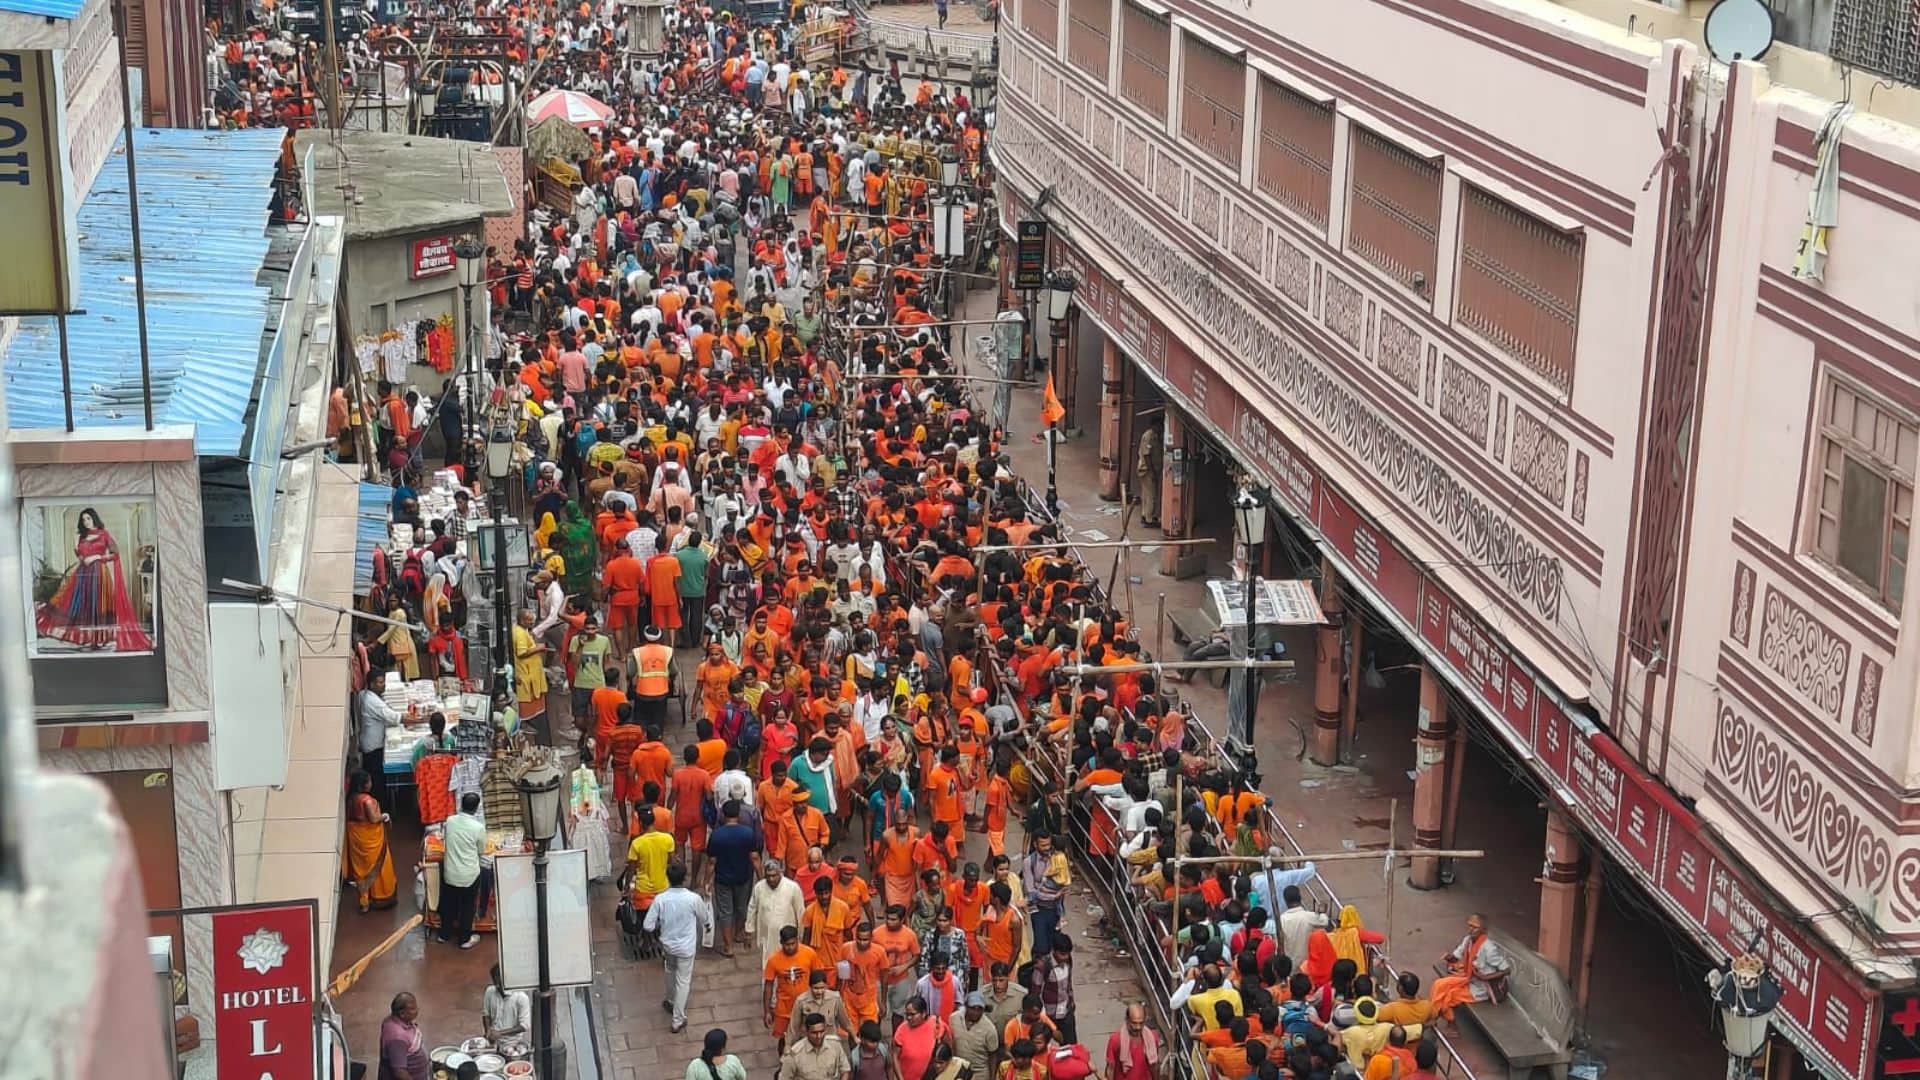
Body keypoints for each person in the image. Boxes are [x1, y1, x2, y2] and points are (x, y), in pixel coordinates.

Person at [33, 506, 153, 651]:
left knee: (99, 604)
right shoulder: (81, 537)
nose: (86, 522)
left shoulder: (104, 535)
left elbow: (115, 555)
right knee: (85, 605)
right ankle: (89, 639)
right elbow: (81, 557)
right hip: (83, 575)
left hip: (100, 574)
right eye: (83, 520)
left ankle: (102, 639)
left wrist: (97, 556)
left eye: (88, 518)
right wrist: (75, 544)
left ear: (94, 518)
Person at [647, 862, 716, 1033]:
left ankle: (670, 1000)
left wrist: (660, 924)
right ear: (684, 878)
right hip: (686, 947)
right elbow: (704, 917)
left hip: (668, 945)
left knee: (670, 970)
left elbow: (648, 925)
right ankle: (678, 1019)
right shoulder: (693, 899)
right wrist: (707, 926)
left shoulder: (660, 899)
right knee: (683, 981)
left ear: (668, 878)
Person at [1430, 913, 1512, 1019]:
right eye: (1469, 926)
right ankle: (1433, 1013)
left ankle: (1450, 1023)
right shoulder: (1467, 940)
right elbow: (1455, 957)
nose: (1470, 930)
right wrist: (1448, 957)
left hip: (1481, 988)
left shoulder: (1489, 949)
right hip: (1467, 978)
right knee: (1438, 984)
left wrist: (1484, 977)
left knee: (1450, 996)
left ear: (1483, 930)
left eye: (1475, 927)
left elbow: (1507, 970)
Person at [707, 799, 761, 957]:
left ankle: (728, 945)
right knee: (742, 906)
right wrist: (761, 877)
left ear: (723, 815)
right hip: (743, 876)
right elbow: (755, 858)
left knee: (725, 911)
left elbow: (711, 861)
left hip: (722, 878)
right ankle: (738, 933)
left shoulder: (717, 835)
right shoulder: (747, 833)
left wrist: (706, 881)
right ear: (738, 814)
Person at [342, 769, 396, 912]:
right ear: (364, 785)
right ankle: (380, 897)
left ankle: (364, 901)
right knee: (380, 866)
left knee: (361, 870)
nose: (371, 783)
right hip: (371, 840)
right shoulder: (367, 801)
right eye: (369, 781)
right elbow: (373, 819)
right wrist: (384, 816)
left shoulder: (351, 799)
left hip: (356, 839)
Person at [765, 925, 826, 1048]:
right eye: (787, 944)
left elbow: (819, 977)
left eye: (793, 943)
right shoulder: (773, 960)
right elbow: (768, 986)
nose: (790, 947)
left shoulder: (809, 953)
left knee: (809, 1036)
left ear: (797, 940)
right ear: (781, 943)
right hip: (784, 1007)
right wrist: (767, 1011)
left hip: (808, 1004)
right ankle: (784, 1064)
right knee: (783, 1039)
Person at [439, 793, 486, 948]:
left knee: (449, 904)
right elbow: (481, 850)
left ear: (461, 805)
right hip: (469, 876)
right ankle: (464, 939)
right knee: (467, 906)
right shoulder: (478, 828)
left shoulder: (450, 821)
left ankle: (444, 935)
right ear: (476, 808)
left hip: (450, 873)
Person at [748, 858, 808, 965]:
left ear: (780, 872)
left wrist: (801, 935)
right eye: (768, 876)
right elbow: (752, 908)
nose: (771, 879)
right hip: (767, 936)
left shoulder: (792, 887)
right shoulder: (759, 887)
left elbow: (800, 912)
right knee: (768, 964)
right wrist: (749, 930)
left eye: (774, 875)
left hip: (788, 937)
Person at [1028, 933, 1076, 1044]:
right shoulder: (1042, 967)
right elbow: (1036, 995)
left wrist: (1071, 1003)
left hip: (1066, 1013)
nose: (1065, 958)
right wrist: (1047, 1022)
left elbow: (1068, 985)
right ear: (1053, 950)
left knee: (1071, 1048)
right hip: (1049, 1016)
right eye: (1062, 954)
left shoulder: (1068, 961)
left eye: (1067, 954)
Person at [782, 1009, 854, 1080]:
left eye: (821, 1032)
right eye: (814, 1033)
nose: (819, 1036)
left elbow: (845, 1070)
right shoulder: (794, 1054)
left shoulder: (835, 1046)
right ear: (806, 1032)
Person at [888, 995, 947, 1080]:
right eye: (907, 1014)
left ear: (923, 1013)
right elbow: (894, 1055)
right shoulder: (902, 1030)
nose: (908, 1018)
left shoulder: (936, 1024)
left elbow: (947, 1047)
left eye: (912, 1014)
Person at [1104, 1003, 1163, 1080]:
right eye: (1134, 1023)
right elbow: (1110, 1068)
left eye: (1141, 1023)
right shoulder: (1116, 1040)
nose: (1138, 1027)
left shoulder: (1152, 1038)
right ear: (1127, 1020)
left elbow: (1154, 1065)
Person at [378, 993, 429, 1080]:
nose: (417, 1010)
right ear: (402, 1014)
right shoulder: (397, 1038)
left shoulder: (393, 1020)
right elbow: (399, 1072)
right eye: (413, 1009)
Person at [950, 989, 1001, 1075]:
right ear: (966, 1006)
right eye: (972, 1008)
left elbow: (993, 1055)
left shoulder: (990, 1029)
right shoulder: (954, 1018)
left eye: (979, 1009)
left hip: (979, 1072)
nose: (976, 1012)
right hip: (957, 1068)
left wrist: (992, 1077)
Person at [482, 964, 530, 1044]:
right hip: (493, 1039)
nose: (497, 985)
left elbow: (524, 1026)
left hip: (513, 1041)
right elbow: (486, 1014)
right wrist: (488, 1031)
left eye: (499, 982)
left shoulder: (521, 997)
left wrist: (500, 1033)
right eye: (495, 982)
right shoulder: (490, 991)